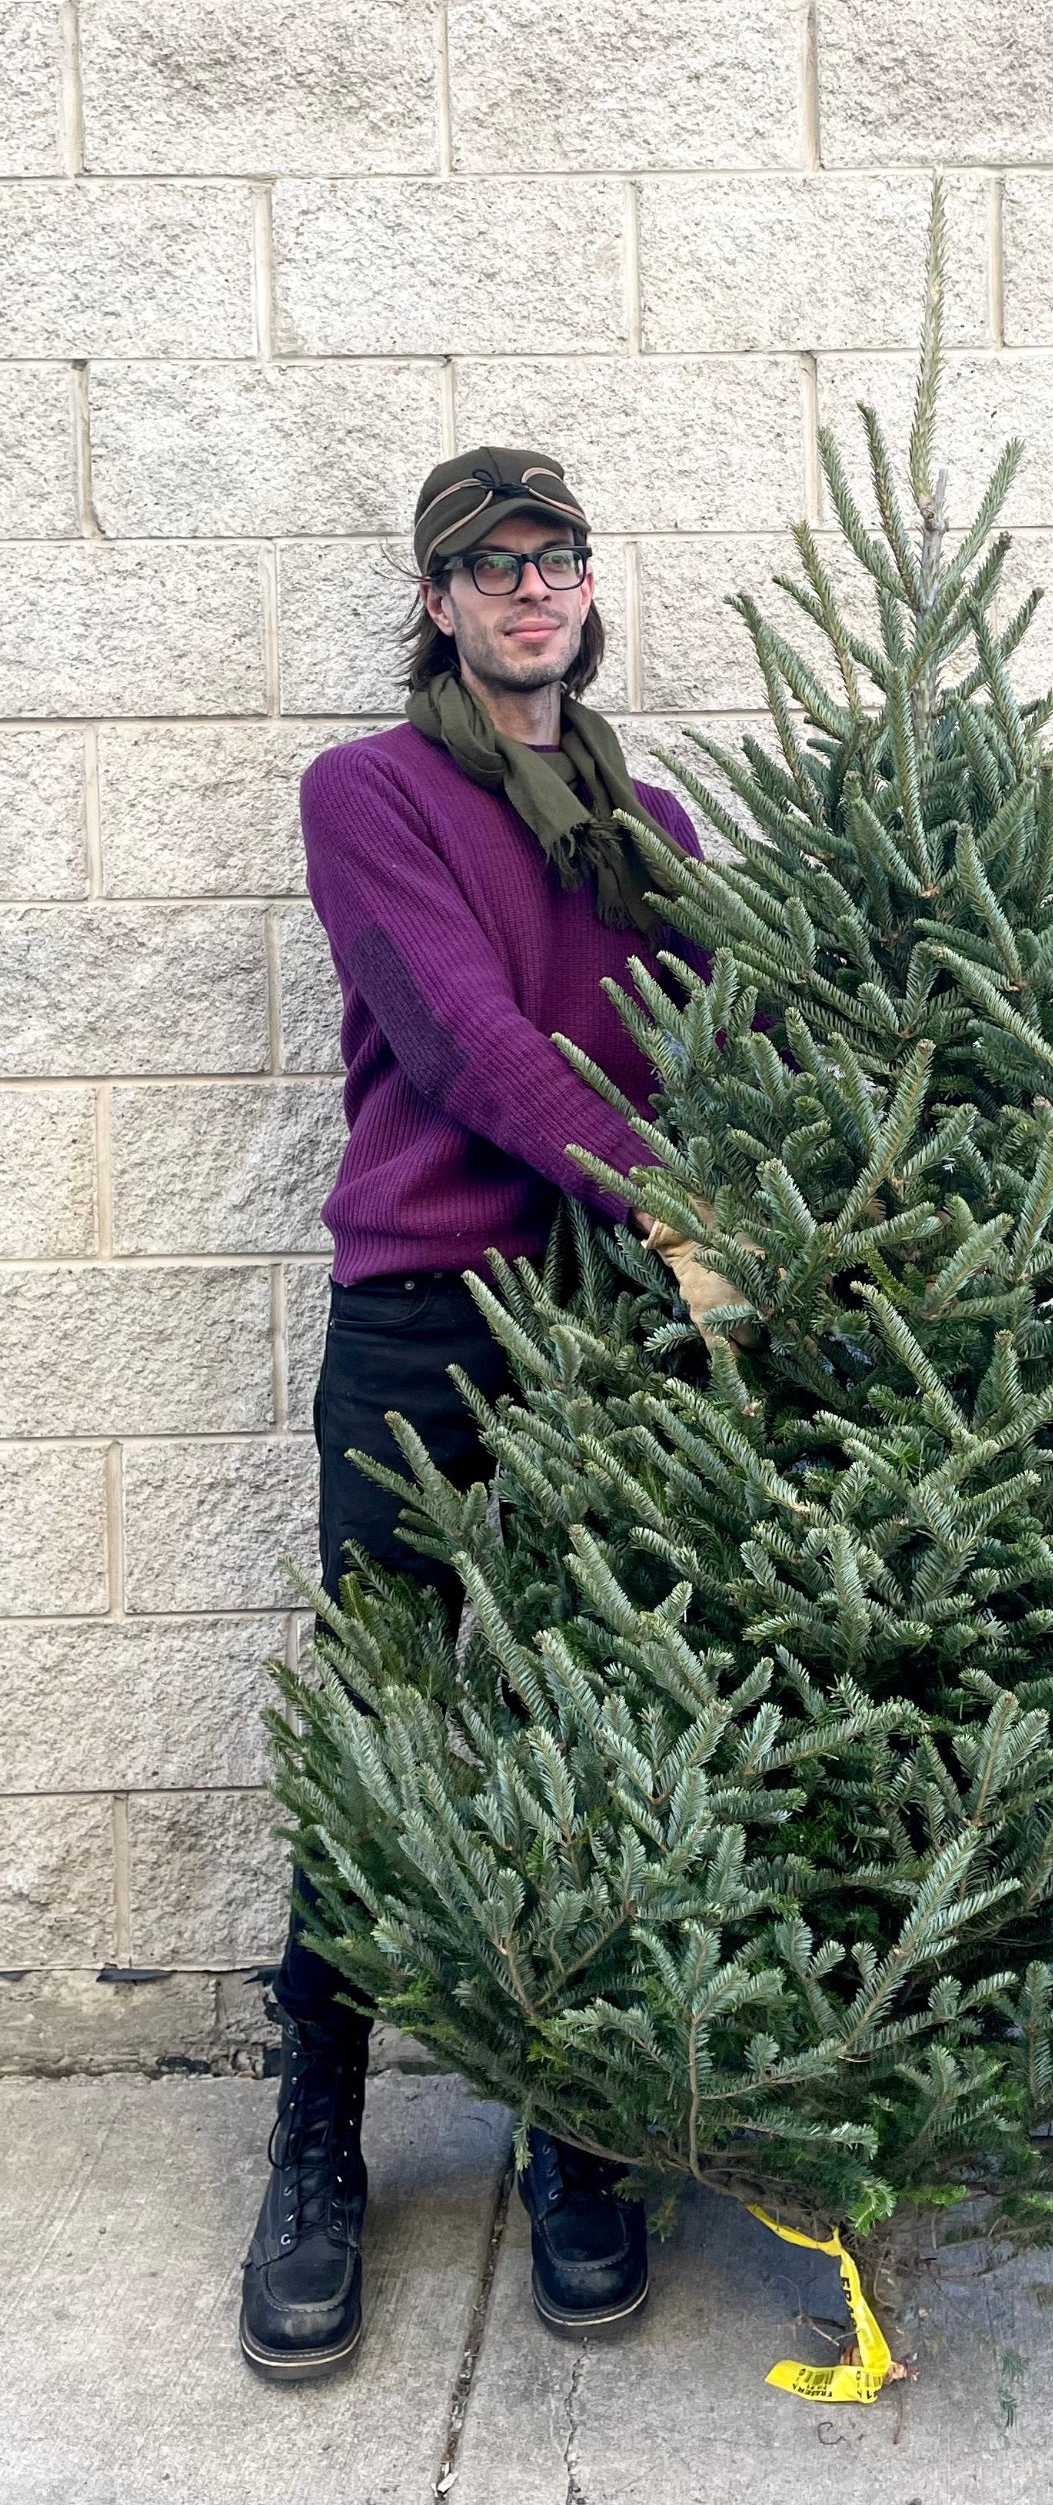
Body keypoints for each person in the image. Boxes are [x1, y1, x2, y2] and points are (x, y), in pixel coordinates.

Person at [241, 447, 734, 2381]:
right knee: (391, 1719)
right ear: (438, 603)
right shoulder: (369, 795)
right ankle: (313, 2149)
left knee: (591, 1723)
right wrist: (674, 1198)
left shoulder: (654, 819)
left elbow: (736, 1025)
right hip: (427, 1322)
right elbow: (464, 1042)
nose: (532, 590)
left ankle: (572, 2132)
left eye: (559, 559)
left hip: (611, 1335)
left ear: (592, 594)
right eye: (490, 566)